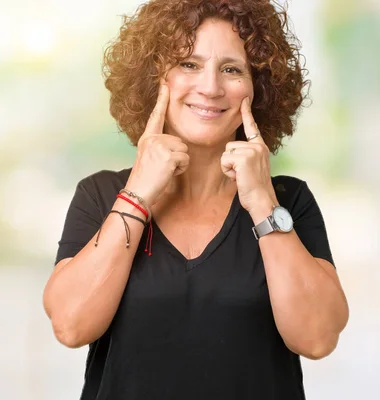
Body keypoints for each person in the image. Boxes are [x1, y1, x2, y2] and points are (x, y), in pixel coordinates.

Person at [42, 0, 349, 399]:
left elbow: (318, 338)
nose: (210, 87)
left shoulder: (289, 201)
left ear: (257, 88)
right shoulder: (100, 195)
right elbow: (70, 325)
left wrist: (262, 203)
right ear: (156, 77)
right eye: (189, 64)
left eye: (231, 69)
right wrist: (137, 196)